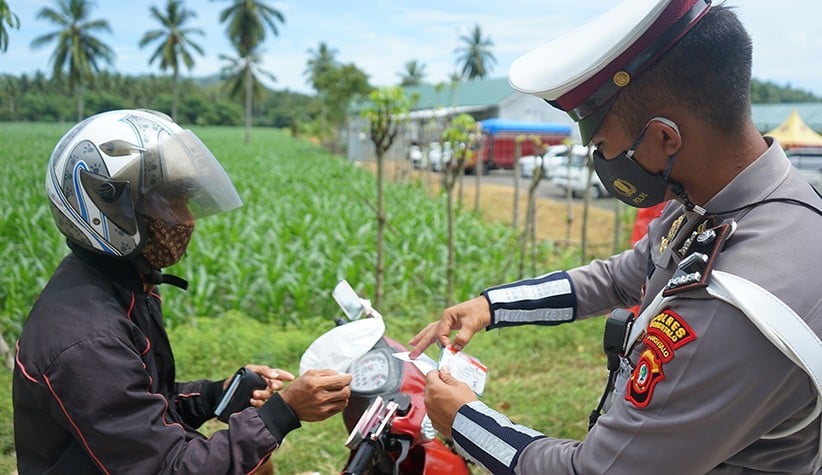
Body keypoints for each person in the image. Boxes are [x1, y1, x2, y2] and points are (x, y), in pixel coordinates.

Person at [410, 1, 822, 473]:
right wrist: (492, 306)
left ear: (665, 140)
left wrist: (463, 419)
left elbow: (597, 470)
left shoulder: (737, 306)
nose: (603, 162)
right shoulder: (721, 203)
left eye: (604, 148)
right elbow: (620, 277)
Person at [12, 109, 353, 474]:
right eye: (170, 201)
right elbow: (169, 468)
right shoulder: (88, 342)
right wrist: (283, 412)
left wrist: (215, 394)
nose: (187, 218)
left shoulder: (123, 285)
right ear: (108, 209)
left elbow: (147, 400)